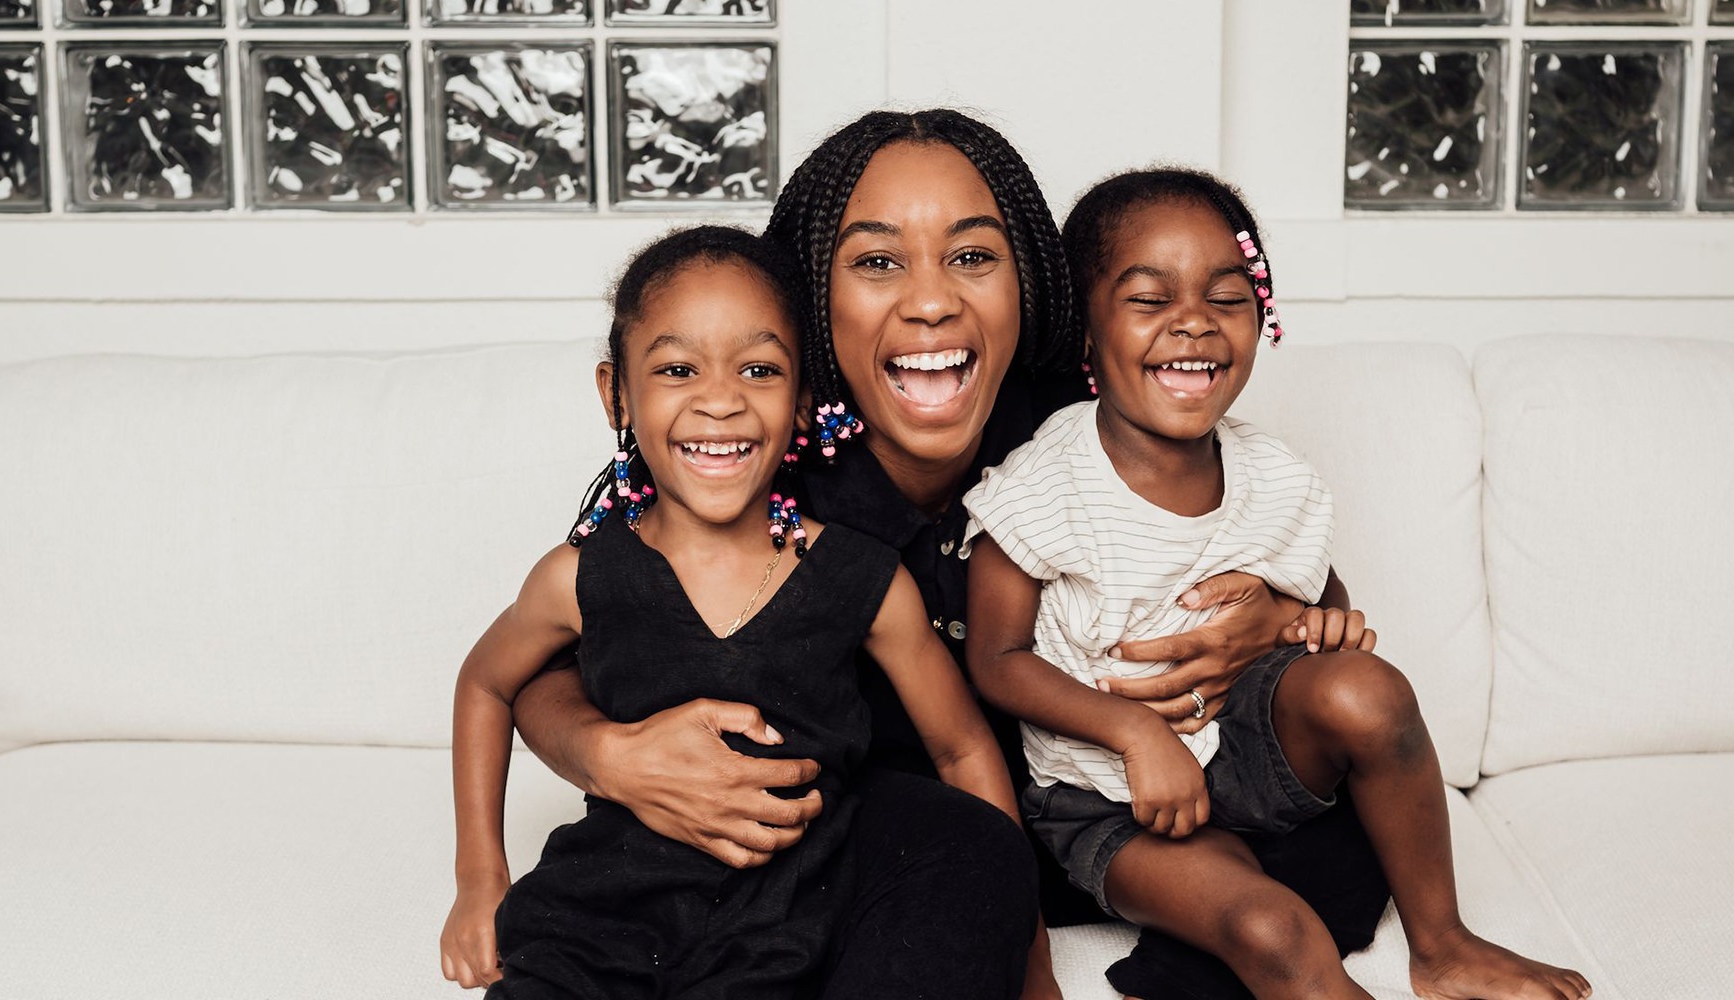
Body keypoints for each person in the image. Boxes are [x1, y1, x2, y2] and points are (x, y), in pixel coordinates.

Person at [509, 109, 1387, 1000]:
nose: (931, 300)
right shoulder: (748, 464)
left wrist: (1275, 622)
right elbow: (552, 658)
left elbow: (1276, 538)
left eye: (972, 256)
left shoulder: (1086, 429)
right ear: (811, 299)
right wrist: (604, 754)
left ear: (1030, 284)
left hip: (1132, 812)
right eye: (877, 260)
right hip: (868, 862)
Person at [963, 166, 1592, 1000]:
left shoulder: (1275, 476)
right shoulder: (1043, 486)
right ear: (1085, 330)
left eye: (1226, 299)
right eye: (1151, 301)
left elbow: (1318, 596)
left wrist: (1317, 623)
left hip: (1243, 754)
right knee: (1274, 930)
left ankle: (1444, 946)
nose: (1193, 323)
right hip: (1106, 797)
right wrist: (1136, 734)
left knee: (1370, 690)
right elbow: (997, 659)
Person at [439, 225, 1025, 997]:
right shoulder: (578, 576)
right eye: (678, 369)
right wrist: (480, 877)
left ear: (804, 394)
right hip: (604, 917)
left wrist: (1026, 947)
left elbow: (961, 751)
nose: (720, 400)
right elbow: (485, 685)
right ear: (617, 393)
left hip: (794, 919)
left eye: (759, 368)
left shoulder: (862, 580)